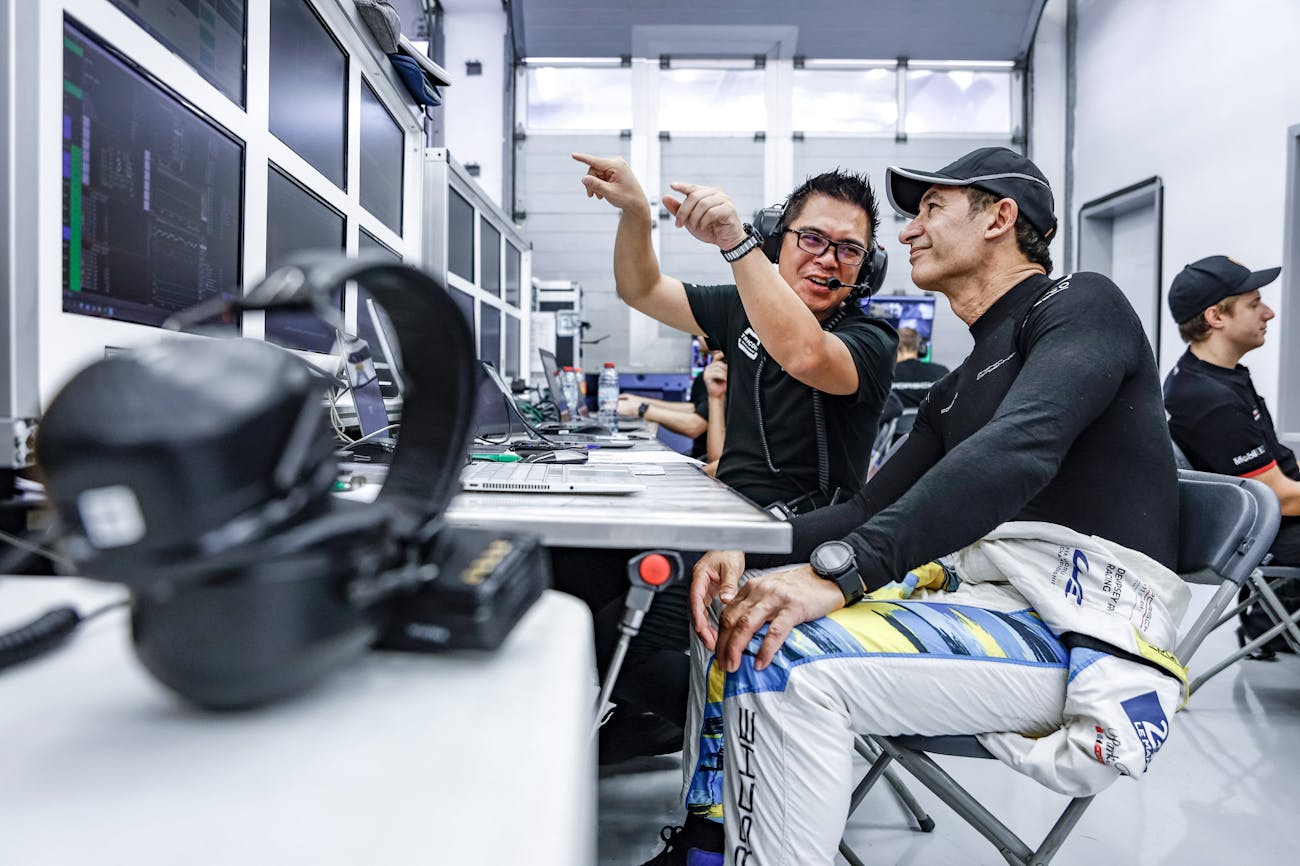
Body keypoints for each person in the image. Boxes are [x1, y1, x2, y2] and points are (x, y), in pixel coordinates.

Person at [640, 147, 1189, 865]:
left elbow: (1021, 451)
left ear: (1000, 217)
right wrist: (754, 544)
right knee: (736, 605)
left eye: (932, 208)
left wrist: (838, 572)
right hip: (995, 604)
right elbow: (869, 506)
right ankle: (708, 846)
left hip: (1075, 626)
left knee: (782, 653)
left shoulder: (1079, 304)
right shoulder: (958, 387)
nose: (907, 232)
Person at [573, 153, 898, 513]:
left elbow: (806, 355)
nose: (828, 258)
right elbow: (642, 290)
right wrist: (636, 212)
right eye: (811, 238)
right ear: (776, 241)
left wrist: (736, 242)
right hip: (731, 506)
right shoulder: (739, 307)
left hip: (803, 535)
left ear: (867, 269)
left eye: (850, 249)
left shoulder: (873, 339)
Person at [1162, 256, 1300, 651]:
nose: (1269, 312)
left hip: (1269, 518)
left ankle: (1264, 626)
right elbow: (1281, 499)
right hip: (1259, 532)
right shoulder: (1209, 400)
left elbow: (1276, 467)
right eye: (1255, 303)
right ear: (1216, 317)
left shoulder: (1217, 377)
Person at [617, 348, 727, 461]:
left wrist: (642, 409)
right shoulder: (715, 371)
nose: (698, 336)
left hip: (708, 463)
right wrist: (640, 402)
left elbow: (694, 426)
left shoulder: (726, 374)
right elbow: (695, 408)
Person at [889, 325, 950, 438]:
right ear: (922, 349)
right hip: (933, 443)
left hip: (892, 443)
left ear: (893, 349)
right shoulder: (942, 372)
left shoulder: (886, 374)